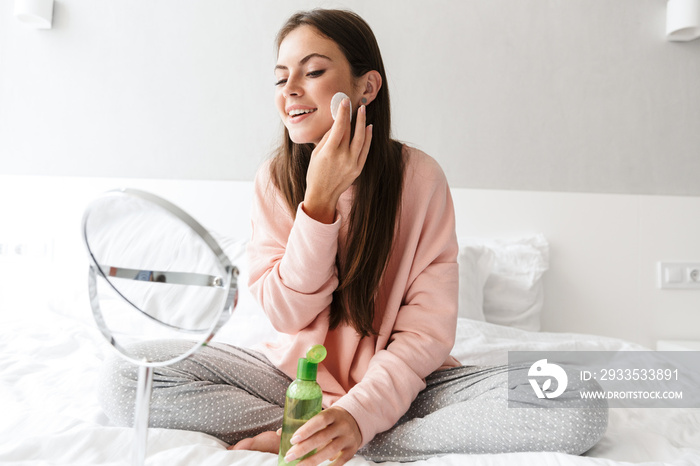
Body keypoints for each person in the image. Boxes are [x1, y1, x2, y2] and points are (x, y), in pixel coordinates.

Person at [99, 8, 607, 465]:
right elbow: (286, 313)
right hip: (289, 382)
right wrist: (316, 205)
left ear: (367, 87)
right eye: (281, 78)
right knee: (128, 378)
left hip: (405, 387)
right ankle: (319, 431)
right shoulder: (274, 180)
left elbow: (425, 335)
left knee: (576, 397)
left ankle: (320, 437)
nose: (290, 90)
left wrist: (361, 417)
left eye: (313, 71)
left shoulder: (419, 177)